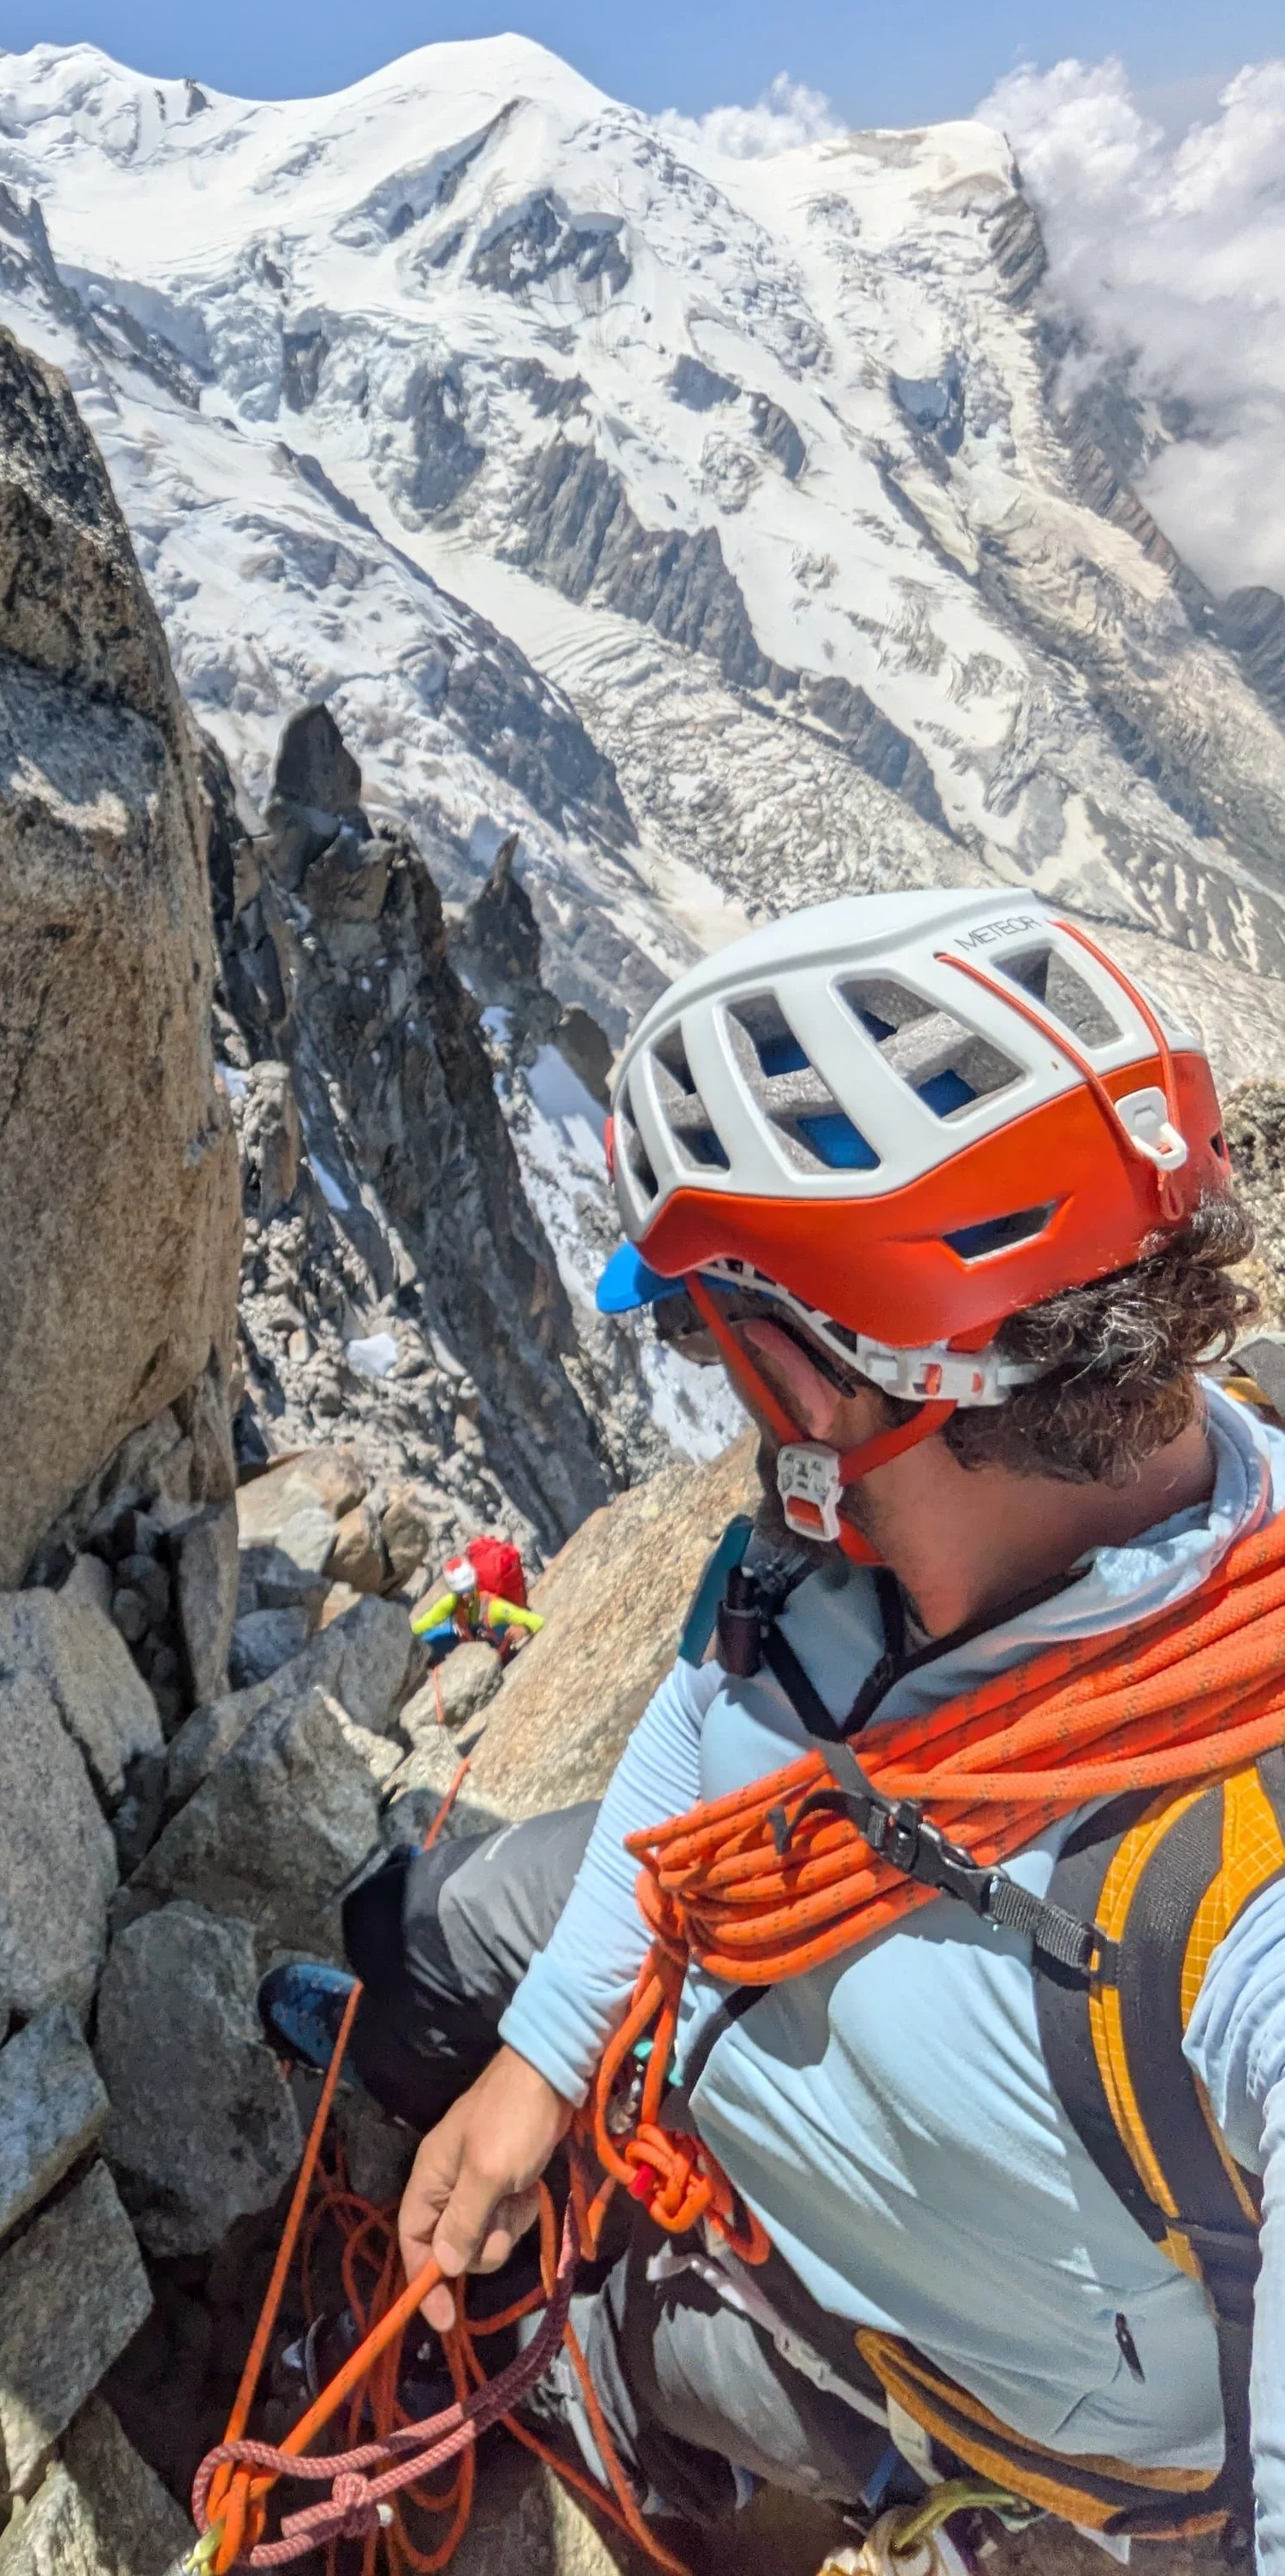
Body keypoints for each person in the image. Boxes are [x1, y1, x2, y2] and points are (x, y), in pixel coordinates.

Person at [261, 887, 1285, 2564]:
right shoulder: (826, 1546)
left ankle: (574, 2384)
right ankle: (428, 2071)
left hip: (928, 2366)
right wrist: (536, 2067)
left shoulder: (1228, 1897)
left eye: (707, 1335)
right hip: (768, 1957)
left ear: (819, 1383)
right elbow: (700, 1711)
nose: (720, 1391)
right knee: (433, 1922)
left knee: (632, 2352)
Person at [409, 1537, 547, 1661]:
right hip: (467, 1639)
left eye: (467, 1591)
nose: (464, 1596)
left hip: (490, 1654)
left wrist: (524, 1629)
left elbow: (535, 1620)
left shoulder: (494, 1608)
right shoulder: (452, 1602)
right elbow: (426, 1622)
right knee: (431, 1637)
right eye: (460, 1593)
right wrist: (407, 1638)